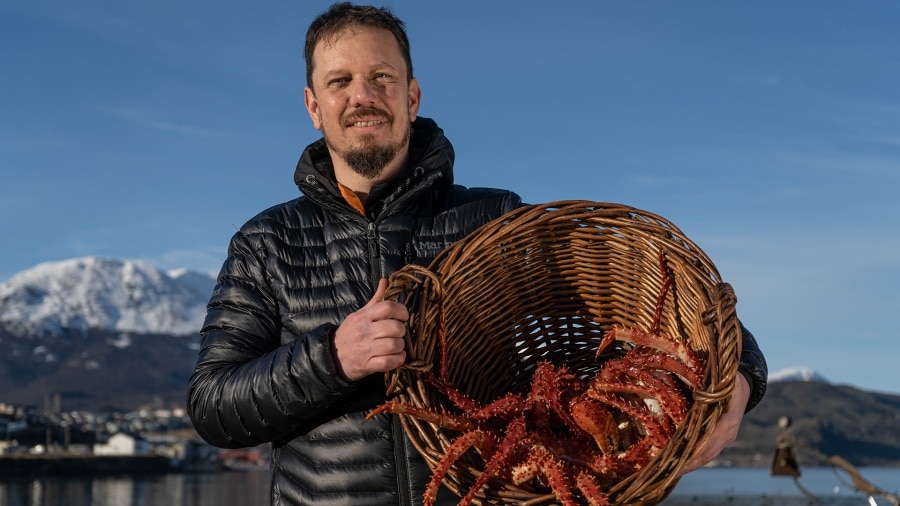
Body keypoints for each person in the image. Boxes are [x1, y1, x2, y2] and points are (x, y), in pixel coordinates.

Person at [187, 3, 768, 505]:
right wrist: (334, 357)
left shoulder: (492, 220)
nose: (362, 96)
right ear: (314, 106)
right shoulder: (266, 243)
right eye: (340, 82)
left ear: (411, 97)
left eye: (382, 77)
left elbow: (669, 305)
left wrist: (739, 379)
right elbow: (212, 406)